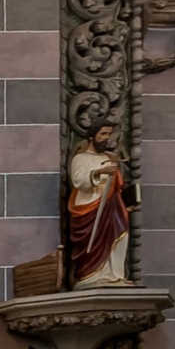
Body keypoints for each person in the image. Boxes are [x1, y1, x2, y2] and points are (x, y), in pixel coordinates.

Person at [68, 123, 131, 288]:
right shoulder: (80, 158)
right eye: (102, 134)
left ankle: (115, 276)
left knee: (120, 234)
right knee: (94, 240)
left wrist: (129, 199)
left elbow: (120, 185)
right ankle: (92, 276)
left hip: (112, 205)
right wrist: (98, 173)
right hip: (91, 206)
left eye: (108, 134)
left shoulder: (109, 158)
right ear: (91, 137)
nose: (106, 138)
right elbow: (78, 180)